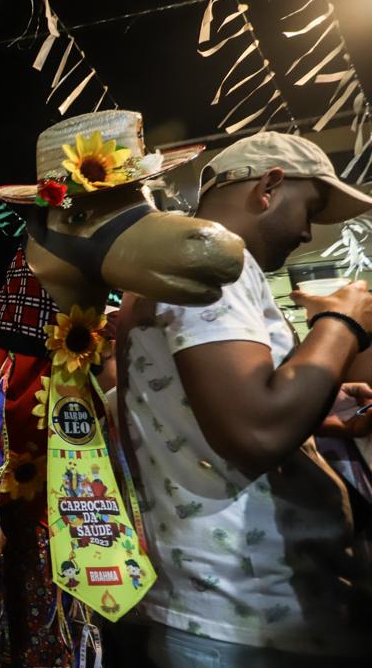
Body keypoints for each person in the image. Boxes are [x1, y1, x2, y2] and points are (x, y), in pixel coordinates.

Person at [118, 131, 372, 666]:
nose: (307, 232)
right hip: (248, 617)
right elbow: (254, 432)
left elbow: (206, 408)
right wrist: (343, 321)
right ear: (269, 186)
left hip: (239, 612)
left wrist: (316, 408)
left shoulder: (177, 263)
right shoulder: (212, 259)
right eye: (310, 209)